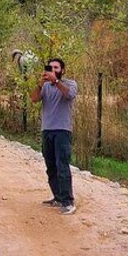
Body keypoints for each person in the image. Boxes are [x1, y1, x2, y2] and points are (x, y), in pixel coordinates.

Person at [29, 57, 79, 215]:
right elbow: (34, 99)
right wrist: (40, 83)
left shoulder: (70, 84)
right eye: (50, 67)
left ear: (62, 70)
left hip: (62, 130)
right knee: (51, 166)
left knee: (62, 165)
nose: (53, 70)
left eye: (56, 67)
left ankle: (68, 201)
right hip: (47, 130)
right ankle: (57, 197)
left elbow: (69, 95)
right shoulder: (45, 87)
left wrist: (56, 82)